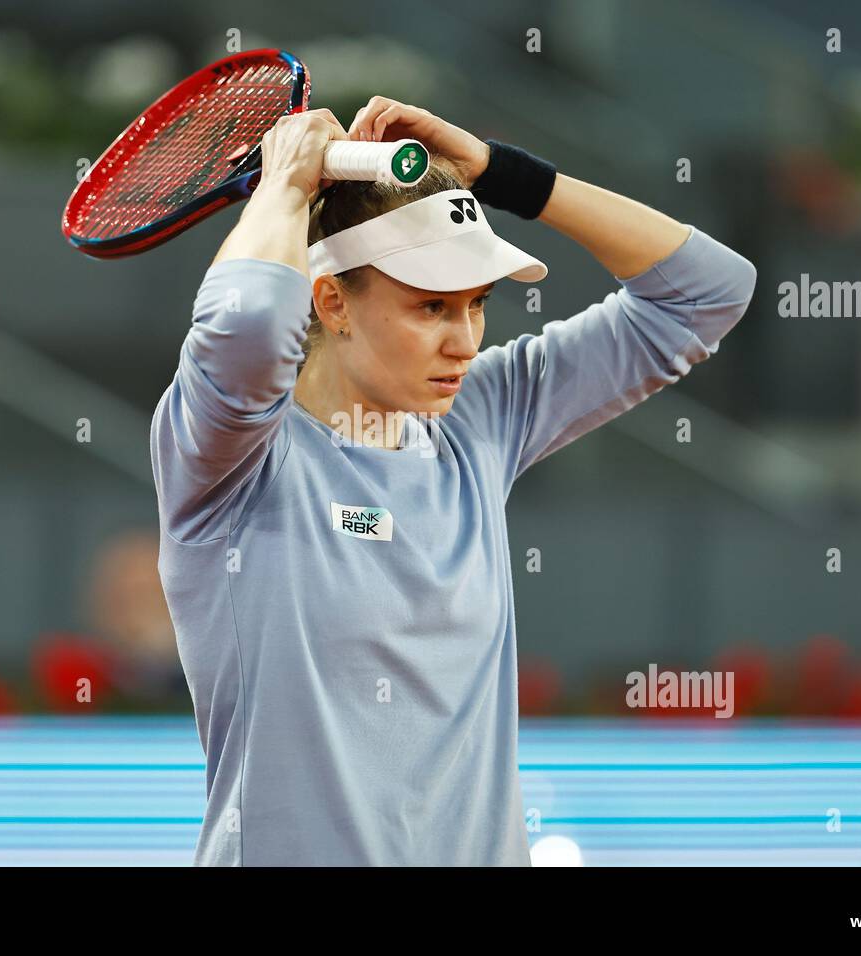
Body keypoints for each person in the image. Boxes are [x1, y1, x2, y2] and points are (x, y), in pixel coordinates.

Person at [150, 97, 757, 865]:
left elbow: (709, 291)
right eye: (431, 306)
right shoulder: (230, 457)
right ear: (331, 300)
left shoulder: (479, 420)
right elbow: (244, 330)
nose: (464, 341)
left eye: (478, 305)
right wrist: (283, 188)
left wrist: (504, 174)